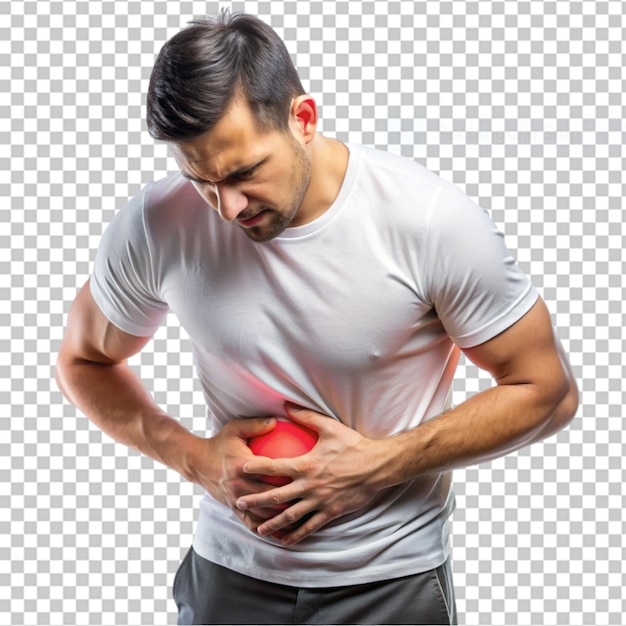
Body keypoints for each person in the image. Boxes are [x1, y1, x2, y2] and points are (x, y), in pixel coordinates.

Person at [55, 10, 579, 625]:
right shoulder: (159, 223)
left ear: (304, 119)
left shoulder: (429, 222)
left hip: (390, 582)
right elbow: (84, 359)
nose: (227, 208)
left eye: (244, 172)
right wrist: (191, 456)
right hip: (229, 576)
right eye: (200, 180)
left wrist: (379, 464)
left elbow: (547, 391)